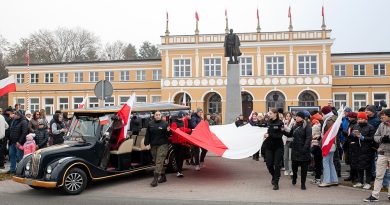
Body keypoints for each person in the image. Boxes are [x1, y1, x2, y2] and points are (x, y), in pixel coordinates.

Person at [365, 109, 390, 202]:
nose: (382, 117)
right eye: (381, 115)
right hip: (382, 153)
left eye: (384, 115)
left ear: (389, 116)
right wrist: (382, 139)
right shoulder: (381, 124)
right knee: (379, 175)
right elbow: (375, 137)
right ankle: (375, 195)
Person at [284, 111, 312, 190]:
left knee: (304, 169)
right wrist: (282, 131)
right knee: (294, 167)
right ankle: (294, 178)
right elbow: (290, 134)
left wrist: (305, 148)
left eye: (298, 116)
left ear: (302, 118)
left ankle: (303, 184)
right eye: (296, 116)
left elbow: (308, 138)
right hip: (295, 149)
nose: (296, 117)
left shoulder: (307, 126)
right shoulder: (294, 125)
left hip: (304, 150)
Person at [350, 112, 376, 190]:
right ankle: (360, 181)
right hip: (357, 149)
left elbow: (373, 138)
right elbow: (352, 136)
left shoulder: (370, 127)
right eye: (359, 119)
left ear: (365, 119)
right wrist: (353, 135)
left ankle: (368, 183)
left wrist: (363, 137)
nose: (360, 120)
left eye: (361, 119)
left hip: (367, 149)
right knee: (359, 166)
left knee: (367, 167)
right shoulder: (356, 126)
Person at [144, 111, 170, 187]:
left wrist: (168, 131)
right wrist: (146, 143)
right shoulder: (150, 124)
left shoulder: (165, 123)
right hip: (153, 145)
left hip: (163, 145)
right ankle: (163, 176)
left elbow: (168, 135)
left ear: (161, 116)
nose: (158, 116)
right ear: (154, 116)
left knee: (159, 161)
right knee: (156, 161)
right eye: (156, 115)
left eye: (159, 115)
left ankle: (155, 180)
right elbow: (147, 134)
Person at [263, 108, 284, 190]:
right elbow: (267, 131)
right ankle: (274, 176)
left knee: (277, 164)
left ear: (275, 114)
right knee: (269, 164)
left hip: (278, 146)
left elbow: (279, 135)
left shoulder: (280, 123)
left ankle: (276, 183)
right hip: (269, 146)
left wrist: (269, 135)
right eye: (269, 113)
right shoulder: (268, 122)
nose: (269, 114)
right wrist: (266, 134)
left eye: (270, 113)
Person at [319, 106, 339, 187]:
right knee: (330, 162)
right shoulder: (333, 119)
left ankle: (326, 181)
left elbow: (327, 134)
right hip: (332, 143)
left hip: (328, 143)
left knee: (326, 162)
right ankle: (334, 180)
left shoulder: (328, 120)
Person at [170, 111, 192, 177]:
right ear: (181, 116)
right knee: (177, 157)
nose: (184, 118)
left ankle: (179, 171)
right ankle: (178, 170)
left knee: (181, 157)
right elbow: (175, 131)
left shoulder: (183, 122)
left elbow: (184, 130)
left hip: (182, 143)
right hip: (176, 143)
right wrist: (185, 129)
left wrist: (189, 130)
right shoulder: (174, 123)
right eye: (184, 116)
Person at [343, 112, 359, 183]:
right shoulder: (351, 123)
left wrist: (344, 132)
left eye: (350, 117)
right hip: (349, 143)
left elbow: (353, 134)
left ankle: (355, 177)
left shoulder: (355, 124)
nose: (348, 118)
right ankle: (351, 175)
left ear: (353, 117)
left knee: (354, 161)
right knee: (350, 161)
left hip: (353, 144)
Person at [310, 112, 323, 184]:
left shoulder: (315, 126)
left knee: (317, 163)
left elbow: (312, 135)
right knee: (319, 163)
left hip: (316, 146)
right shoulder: (321, 125)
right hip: (319, 146)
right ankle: (317, 178)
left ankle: (317, 179)